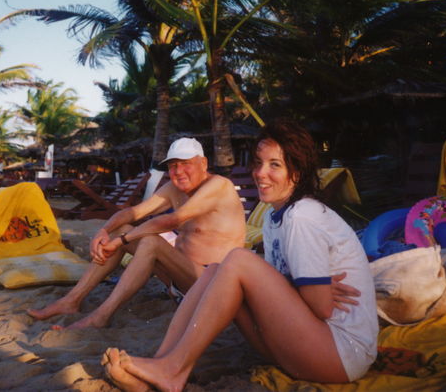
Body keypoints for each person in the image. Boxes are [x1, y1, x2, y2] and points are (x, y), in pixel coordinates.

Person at [104, 118, 378, 391]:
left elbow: (321, 307)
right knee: (215, 270)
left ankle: (172, 370)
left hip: (340, 354)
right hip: (301, 346)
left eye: (275, 165)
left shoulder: (302, 217)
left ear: (297, 171)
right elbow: (281, 290)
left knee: (237, 259)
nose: (260, 173)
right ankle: (163, 362)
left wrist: (308, 288)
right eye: (258, 163)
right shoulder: (274, 218)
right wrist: (300, 286)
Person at [28, 137, 247, 330]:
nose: (178, 171)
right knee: (120, 230)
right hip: (179, 281)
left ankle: (101, 316)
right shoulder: (174, 188)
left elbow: (172, 220)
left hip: (211, 283)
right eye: (172, 166)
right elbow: (133, 212)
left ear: (203, 163)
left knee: (149, 242)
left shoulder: (220, 186)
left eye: (185, 164)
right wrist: (104, 231)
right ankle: (71, 300)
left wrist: (123, 240)